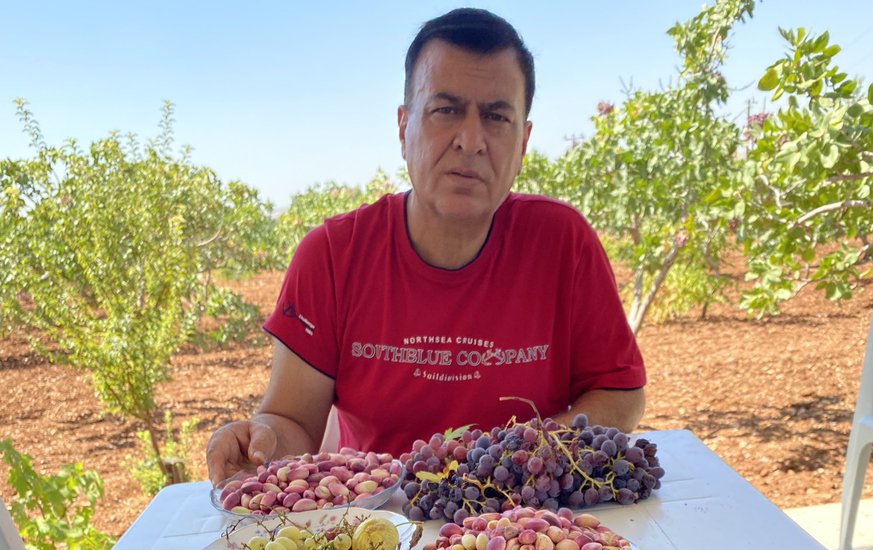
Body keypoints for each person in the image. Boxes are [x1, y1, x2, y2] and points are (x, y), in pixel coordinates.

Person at [206, 7, 646, 483]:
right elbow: (292, 423)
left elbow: (620, 393)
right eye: (446, 110)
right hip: (375, 533)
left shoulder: (563, 243)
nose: (471, 140)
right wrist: (260, 443)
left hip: (527, 535)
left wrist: (516, 462)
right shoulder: (332, 256)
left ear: (523, 142)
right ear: (403, 127)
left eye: (496, 116)